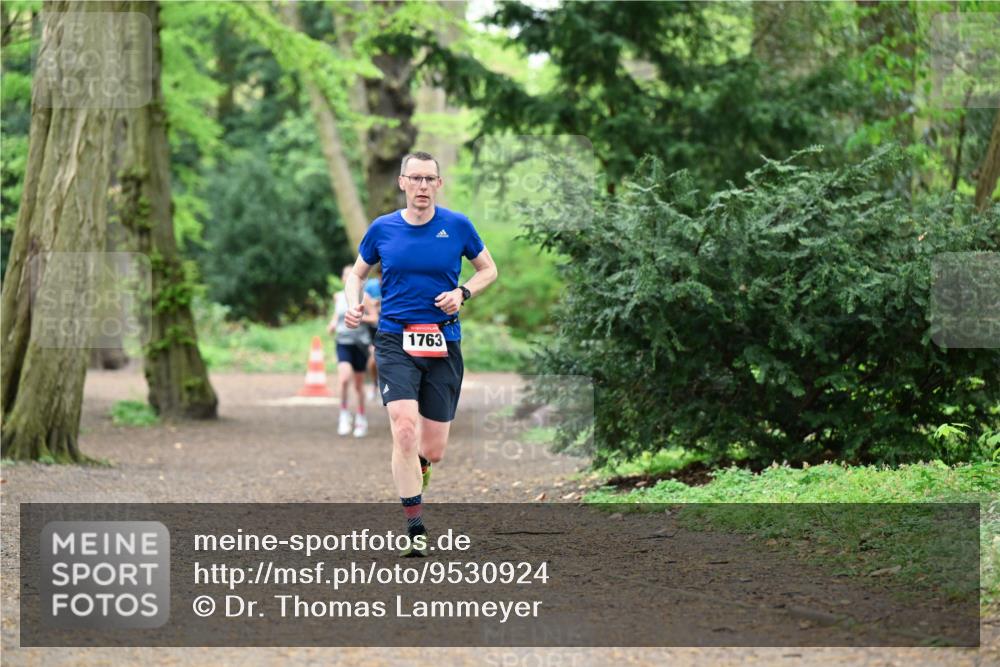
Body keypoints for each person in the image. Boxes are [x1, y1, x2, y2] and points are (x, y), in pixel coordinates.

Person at [344, 151, 497, 557]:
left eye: (430, 179)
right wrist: (352, 304)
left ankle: (421, 467)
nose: (423, 186)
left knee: (433, 449)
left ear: (439, 184)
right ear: (402, 183)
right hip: (395, 340)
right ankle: (415, 527)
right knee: (404, 428)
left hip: (444, 340)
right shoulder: (383, 229)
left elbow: (488, 270)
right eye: (415, 178)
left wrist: (463, 292)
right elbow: (356, 273)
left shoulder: (457, 226)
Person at [328, 265, 378, 437]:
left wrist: (360, 318)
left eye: (352, 275)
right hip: (343, 342)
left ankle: (361, 418)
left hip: (360, 344)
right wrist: (333, 323)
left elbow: (375, 318)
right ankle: (343, 415)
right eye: (346, 275)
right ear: (343, 279)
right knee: (343, 379)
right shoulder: (338, 297)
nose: (349, 278)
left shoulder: (366, 297)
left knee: (358, 385)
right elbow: (338, 314)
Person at [363, 275, 382, 400]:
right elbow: (367, 306)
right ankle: (375, 385)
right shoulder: (370, 286)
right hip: (373, 330)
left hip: (392, 327)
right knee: (373, 360)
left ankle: (384, 387)